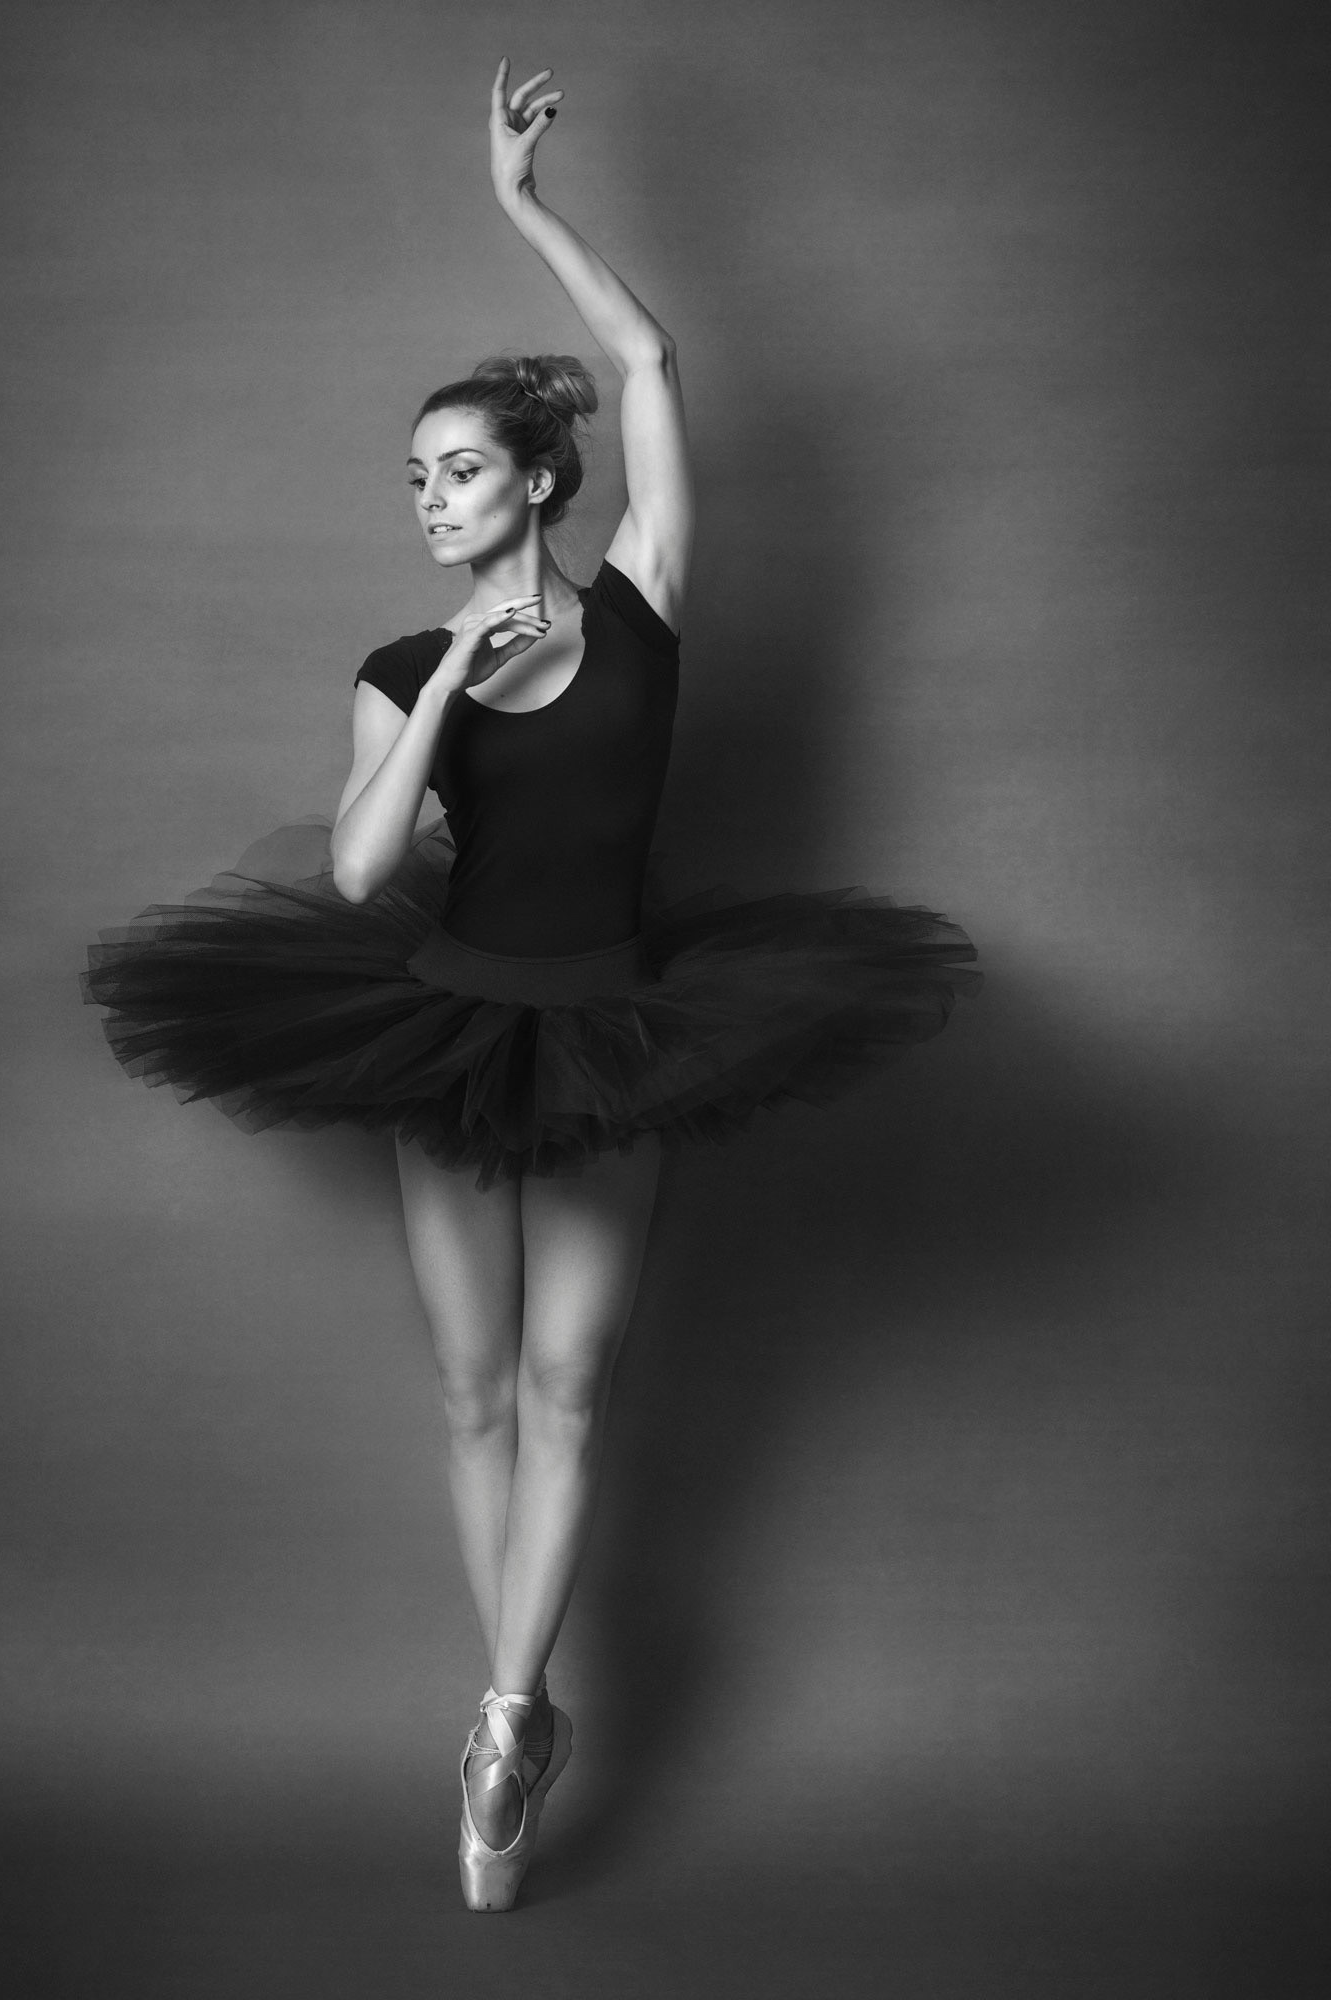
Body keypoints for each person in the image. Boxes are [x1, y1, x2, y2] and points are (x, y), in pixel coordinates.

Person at [82, 59, 979, 1913]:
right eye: (415, 480)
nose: (433, 498)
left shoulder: (646, 598)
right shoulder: (393, 664)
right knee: (477, 1391)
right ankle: (523, 1700)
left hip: (623, 1024)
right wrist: (442, 687)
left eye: (464, 469)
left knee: (575, 1385)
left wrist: (521, 207)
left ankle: (508, 1718)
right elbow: (357, 869)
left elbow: (651, 362)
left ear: (542, 481)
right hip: (448, 1019)